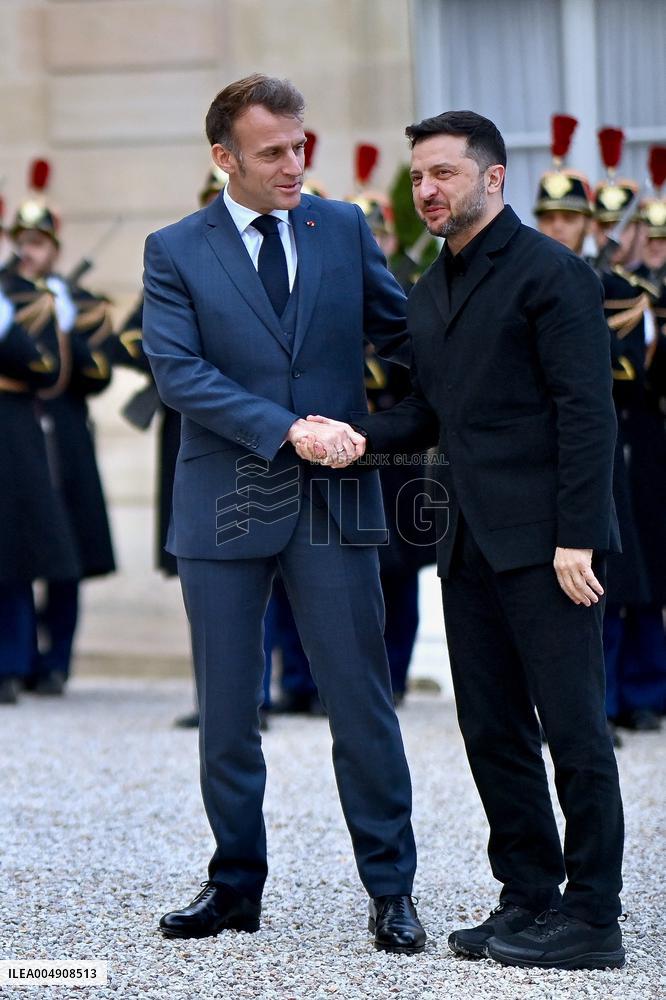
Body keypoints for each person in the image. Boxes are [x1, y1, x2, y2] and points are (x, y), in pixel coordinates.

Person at [309, 110, 626, 970]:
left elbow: (586, 415)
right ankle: (528, 895)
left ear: (493, 178)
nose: (428, 190)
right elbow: (431, 415)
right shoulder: (431, 286)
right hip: (465, 541)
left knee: (572, 729)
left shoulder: (553, 276)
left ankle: (594, 916)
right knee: (491, 730)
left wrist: (577, 537)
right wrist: (355, 434)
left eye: (444, 173)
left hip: (549, 547)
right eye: (419, 177)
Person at [141, 74, 425, 954]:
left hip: (338, 500)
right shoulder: (174, 248)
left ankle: (392, 892)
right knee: (228, 712)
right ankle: (234, 887)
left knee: (361, 702)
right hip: (225, 494)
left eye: (301, 145)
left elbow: (406, 333)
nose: (296, 163)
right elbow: (179, 374)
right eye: (273, 152)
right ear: (224, 158)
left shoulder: (341, 227)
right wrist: (288, 428)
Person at [4, 200, 116, 694]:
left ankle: (57, 661)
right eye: (23, 243)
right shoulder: (6, 296)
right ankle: (20, 658)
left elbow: (97, 375)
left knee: (67, 548)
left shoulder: (79, 303)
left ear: (54, 249)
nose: (29, 253)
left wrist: (69, 327)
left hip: (66, 432)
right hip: (16, 431)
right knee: (19, 546)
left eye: (39, 244)